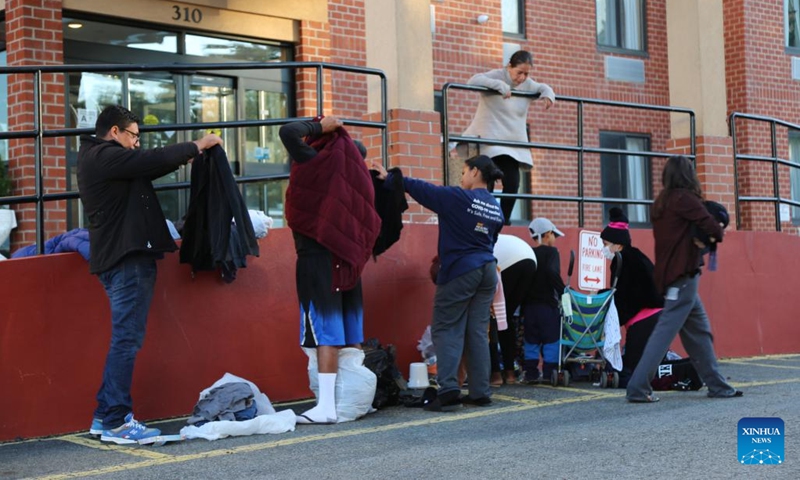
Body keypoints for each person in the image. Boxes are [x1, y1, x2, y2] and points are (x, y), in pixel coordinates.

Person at [78, 105, 223, 444]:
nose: (137, 144)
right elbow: (146, 161)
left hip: (123, 259)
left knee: (124, 339)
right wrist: (197, 145)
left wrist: (180, 158)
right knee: (126, 341)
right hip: (127, 261)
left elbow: (147, 166)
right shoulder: (102, 156)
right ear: (114, 132)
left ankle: (104, 417)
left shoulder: (108, 160)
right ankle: (116, 421)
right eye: (133, 136)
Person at [373, 155, 504, 411]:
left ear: (476, 172)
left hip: (460, 270)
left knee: (446, 328)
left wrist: (392, 178)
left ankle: (449, 391)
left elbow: (425, 191)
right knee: (476, 332)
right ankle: (479, 392)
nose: (462, 177)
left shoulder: (459, 198)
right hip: (488, 270)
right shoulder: (495, 206)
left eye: (465, 172)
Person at [279, 116, 381, 424]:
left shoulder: (318, 163)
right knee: (349, 334)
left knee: (324, 332)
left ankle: (326, 406)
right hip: (348, 261)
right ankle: (356, 399)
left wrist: (321, 125)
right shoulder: (357, 181)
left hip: (316, 260)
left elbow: (288, 132)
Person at [626, 156, 742, 403]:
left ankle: (718, 386)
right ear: (688, 175)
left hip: (673, 277)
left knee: (700, 333)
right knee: (663, 333)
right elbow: (714, 228)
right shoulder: (685, 200)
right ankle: (637, 387)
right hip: (683, 278)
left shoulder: (662, 202)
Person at [462, 50, 556, 223]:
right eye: (519, 72)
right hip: (489, 141)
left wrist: (548, 95)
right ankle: (483, 219)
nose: (522, 77)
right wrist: (498, 85)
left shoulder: (527, 83)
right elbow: (473, 80)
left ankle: (503, 221)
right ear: (509, 67)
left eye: (526, 73)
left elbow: (542, 87)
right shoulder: (498, 75)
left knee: (512, 183)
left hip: (511, 145)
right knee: (485, 182)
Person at [600, 207, 663, 388]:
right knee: (640, 365)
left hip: (644, 318)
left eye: (606, 244)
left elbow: (620, 294)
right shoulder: (635, 256)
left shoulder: (622, 261)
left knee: (629, 372)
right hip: (654, 315)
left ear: (618, 245)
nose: (604, 249)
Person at [522, 218, 565, 384]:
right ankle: (549, 373)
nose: (554, 239)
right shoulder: (552, 253)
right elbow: (552, 272)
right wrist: (564, 292)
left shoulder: (528, 253)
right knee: (551, 340)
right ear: (547, 234)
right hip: (548, 305)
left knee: (531, 340)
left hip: (529, 307)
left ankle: (531, 373)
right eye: (554, 235)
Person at [490, 234, 537, 385]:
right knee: (506, 318)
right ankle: (510, 373)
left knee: (491, 320)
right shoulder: (494, 237)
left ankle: (495, 374)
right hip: (530, 259)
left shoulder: (471, 243)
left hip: (508, 264)